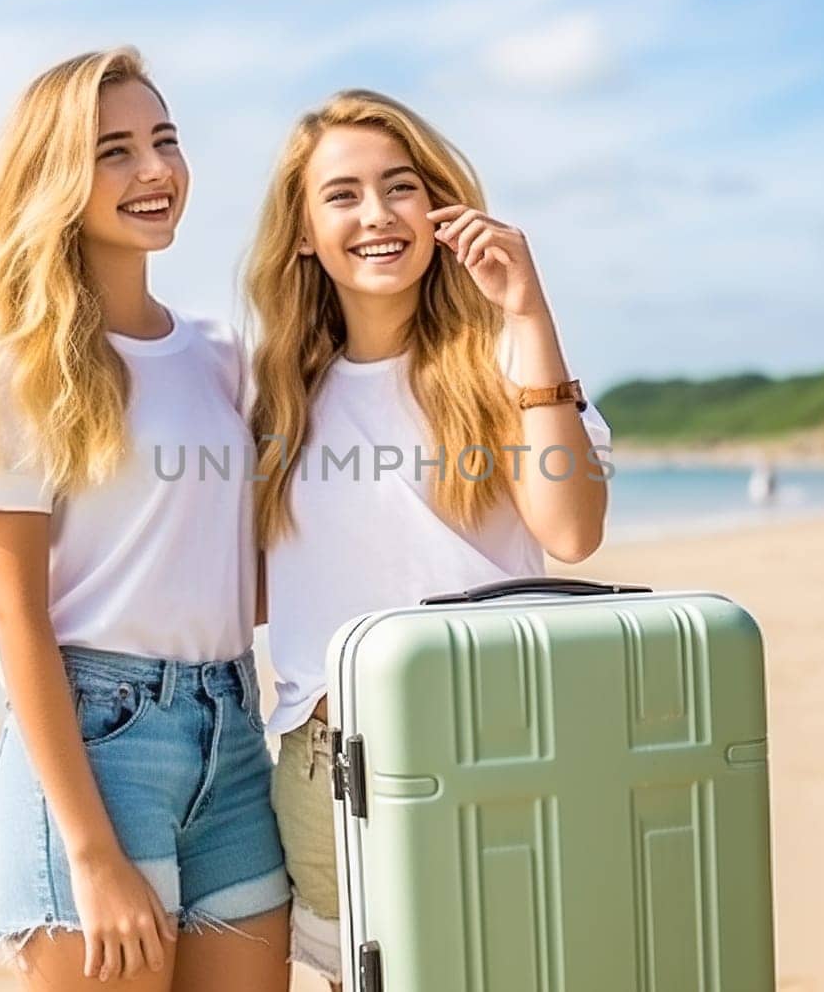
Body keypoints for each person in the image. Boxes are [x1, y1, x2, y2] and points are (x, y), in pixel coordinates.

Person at [0, 48, 290, 991]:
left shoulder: (222, 355)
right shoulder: (19, 365)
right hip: (96, 749)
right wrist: (88, 849)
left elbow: (243, 572)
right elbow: (17, 619)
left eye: (164, 140)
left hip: (235, 736)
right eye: (113, 151)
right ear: (55, 181)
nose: (154, 170)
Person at [243, 89, 611, 988]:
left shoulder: (503, 362)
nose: (376, 214)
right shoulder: (276, 396)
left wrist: (528, 313)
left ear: (440, 206)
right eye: (342, 194)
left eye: (399, 186)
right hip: (328, 763)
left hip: (490, 740)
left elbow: (572, 531)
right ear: (300, 231)